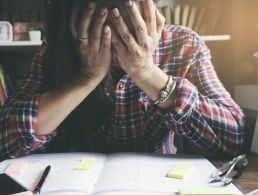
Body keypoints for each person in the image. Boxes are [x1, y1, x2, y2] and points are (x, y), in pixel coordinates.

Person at [0, 0, 244, 160]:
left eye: (128, 26)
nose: (118, 42)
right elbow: (5, 139)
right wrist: (87, 77)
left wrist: (145, 71)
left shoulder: (183, 44)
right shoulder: (57, 48)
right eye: (102, 29)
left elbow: (233, 139)